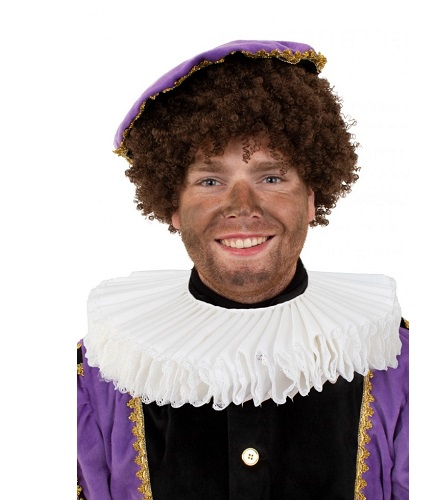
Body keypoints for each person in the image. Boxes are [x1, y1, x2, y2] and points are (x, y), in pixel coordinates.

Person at [77, 40, 409, 499]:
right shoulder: (104, 371)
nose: (242, 206)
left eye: (271, 178)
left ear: (310, 199)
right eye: (210, 180)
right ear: (173, 206)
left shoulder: (392, 362)